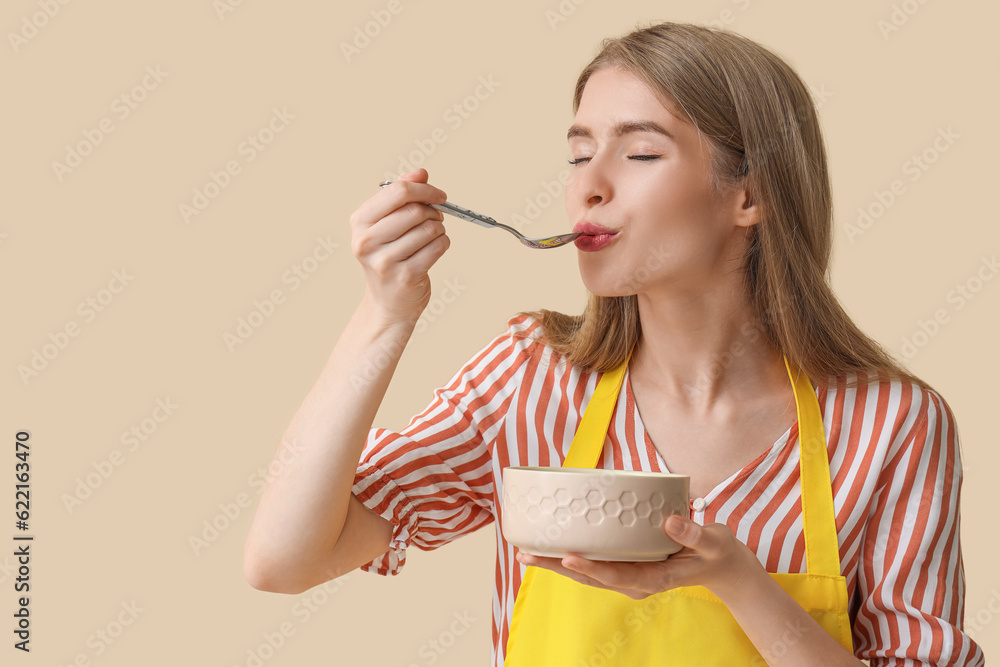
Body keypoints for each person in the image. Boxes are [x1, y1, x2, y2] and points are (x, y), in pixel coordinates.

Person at [243, 21, 984, 667]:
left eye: (639, 154)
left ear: (748, 196)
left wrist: (738, 582)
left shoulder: (892, 424)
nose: (587, 187)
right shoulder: (531, 378)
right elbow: (283, 557)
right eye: (577, 153)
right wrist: (385, 311)